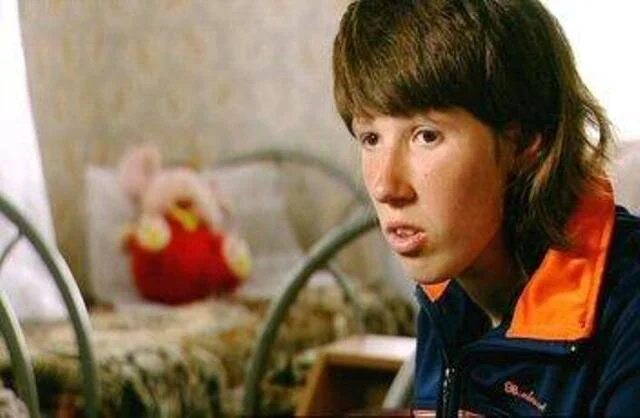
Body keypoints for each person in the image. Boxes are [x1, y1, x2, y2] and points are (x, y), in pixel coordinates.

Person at [332, 0, 639, 416]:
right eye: (370, 138)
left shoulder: (627, 312)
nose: (386, 186)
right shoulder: (448, 295)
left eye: (426, 136)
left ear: (524, 141)